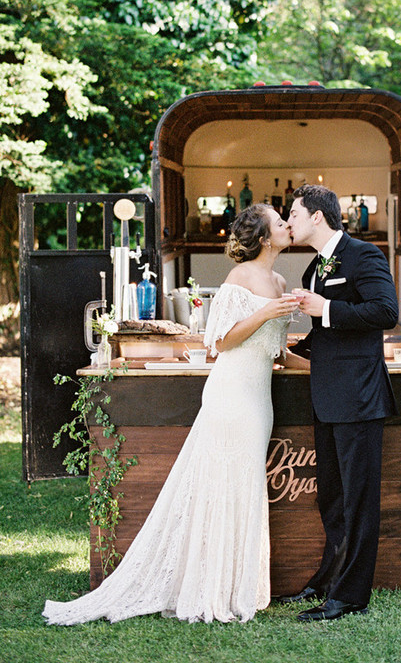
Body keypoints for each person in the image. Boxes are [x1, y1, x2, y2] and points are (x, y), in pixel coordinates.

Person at [43, 204, 308, 626]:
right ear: (263, 238)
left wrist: (325, 368)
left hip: (260, 401)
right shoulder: (240, 279)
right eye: (280, 222)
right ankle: (209, 587)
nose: (288, 226)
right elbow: (219, 342)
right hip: (230, 396)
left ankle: (239, 585)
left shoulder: (279, 281)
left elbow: (279, 353)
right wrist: (262, 313)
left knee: (246, 486)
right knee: (221, 486)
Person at [281, 184, 398, 622]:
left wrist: (325, 307)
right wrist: (289, 346)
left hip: (360, 399)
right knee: (331, 497)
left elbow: (386, 312)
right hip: (326, 398)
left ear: (316, 216)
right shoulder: (314, 267)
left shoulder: (363, 255)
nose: (288, 221)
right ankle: (328, 581)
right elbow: (325, 333)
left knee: (358, 500)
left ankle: (349, 596)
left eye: (293, 213)